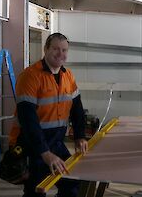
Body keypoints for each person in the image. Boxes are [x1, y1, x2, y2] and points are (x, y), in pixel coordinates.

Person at [8, 33, 88, 197]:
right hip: (32, 143)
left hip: (56, 141)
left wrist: (80, 135)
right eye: (56, 49)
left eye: (64, 50)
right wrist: (45, 153)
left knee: (72, 183)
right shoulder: (30, 76)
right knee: (36, 190)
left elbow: (77, 109)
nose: (61, 54)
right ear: (46, 49)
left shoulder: (68, 76)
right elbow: (28, 120)